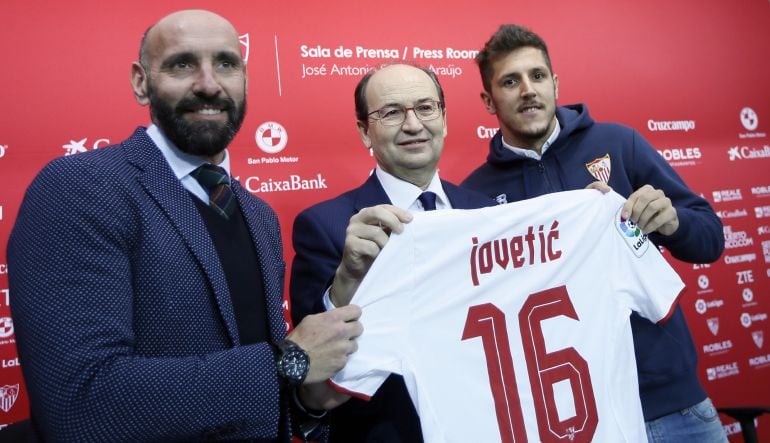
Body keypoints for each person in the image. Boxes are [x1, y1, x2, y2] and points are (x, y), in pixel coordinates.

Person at [7, 9, 361, 442]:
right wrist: (288, 360)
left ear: (244, 80)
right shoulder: (81, 187)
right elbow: (82, 402)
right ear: (141, 82)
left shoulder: (258, 216)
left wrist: (306, 404)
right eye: (182, 64)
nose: (209, 84)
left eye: (227, 64)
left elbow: (260, 393)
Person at [462, 24, 727, 442]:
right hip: (575, 421)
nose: (528, 90)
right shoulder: (474, 197)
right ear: (488, 100)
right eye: (510, 81)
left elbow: (711, 238)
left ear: (555, 83)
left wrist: (671, 221)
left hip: (672, 408)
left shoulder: (619, 144)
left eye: (537, 76)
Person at [290, 63, 496, 442]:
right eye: (392, 112)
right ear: (364, 132)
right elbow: (312, 373)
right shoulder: (326, 225)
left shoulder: (488, 212)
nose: (414, 124)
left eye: (426, 108)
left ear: (445, 120)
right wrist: (347, 279)